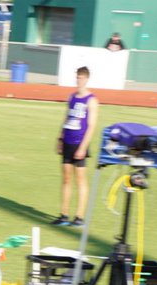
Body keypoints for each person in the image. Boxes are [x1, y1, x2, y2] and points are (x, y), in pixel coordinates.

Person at [54, 66, 99, 227]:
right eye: (77, 77)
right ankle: (64, 214)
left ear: (87, 79)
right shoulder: (71, 97)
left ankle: (79, 216)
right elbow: (67, 117)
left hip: (80, 143)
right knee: (66, 179)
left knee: (80, 180)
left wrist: (83, 147)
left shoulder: (91, 100)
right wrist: (60, 138)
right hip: (68, 140)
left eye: (81, 78)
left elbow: (92, 125)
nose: (78, 80)